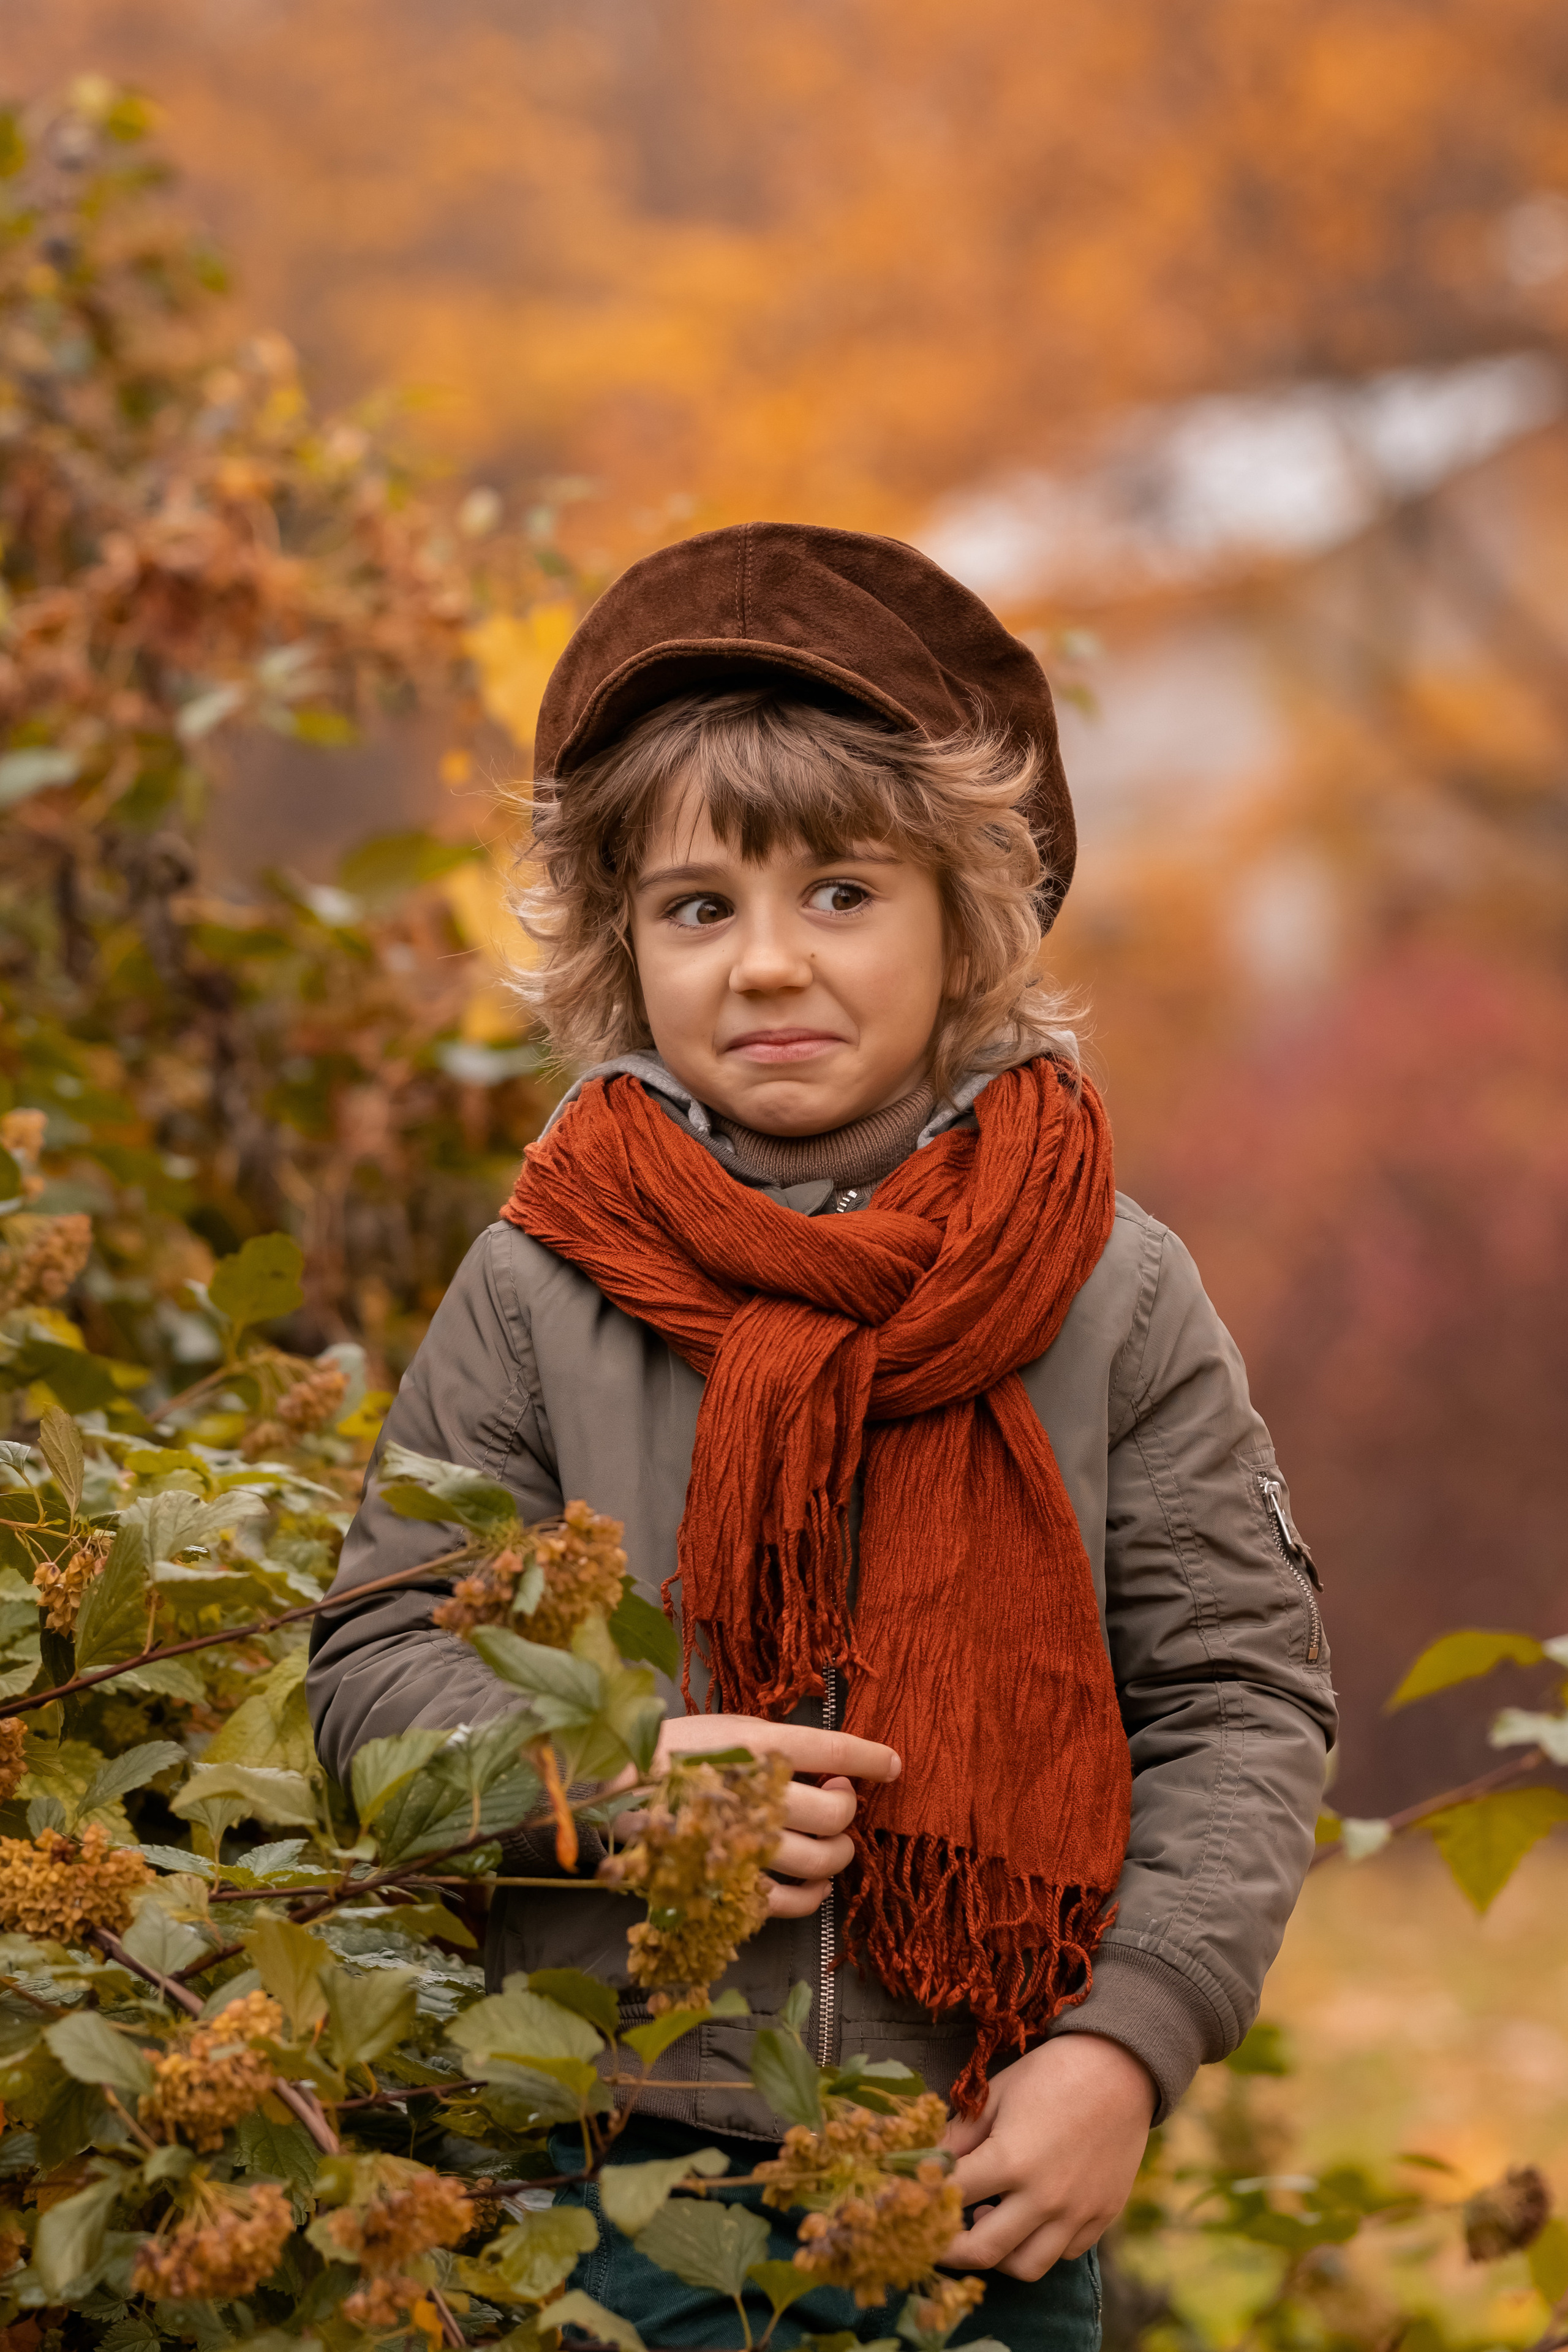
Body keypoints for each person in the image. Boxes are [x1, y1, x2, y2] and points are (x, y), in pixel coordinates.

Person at [307, 522, 1335, 2351]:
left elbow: (1237, 1697)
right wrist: (617, 1774)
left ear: (967, 918)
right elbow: (374, 1670)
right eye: (700, 907)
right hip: (605, 2175)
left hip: (978, 2172)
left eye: (842, 893)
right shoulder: (540, 1282)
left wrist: (1125, 2045)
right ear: (623, 941)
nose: (769, 964)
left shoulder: (1112, 1289)